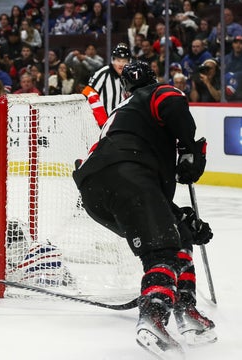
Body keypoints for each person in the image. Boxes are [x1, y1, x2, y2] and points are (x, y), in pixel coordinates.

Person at [73, 61, 216, 359]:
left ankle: (186, 311)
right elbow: (172, 102)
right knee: (161, 251)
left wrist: (182, 220)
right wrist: (189, 148)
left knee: (174, 234)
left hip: (94, 190)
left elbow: (146, 198)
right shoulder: (157, 92)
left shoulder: (122, 112)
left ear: (125, 88)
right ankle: (153, 316)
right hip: (127, 173)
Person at [81, 42, 131, 127]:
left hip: (120, 123)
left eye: (124, 61)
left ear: (129, 62)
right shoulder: (103, 73)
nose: (121, 64)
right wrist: (102, 120)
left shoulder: (129, 76)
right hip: (100, 125)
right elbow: (87, 92)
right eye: (118, 60)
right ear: (112, 60)